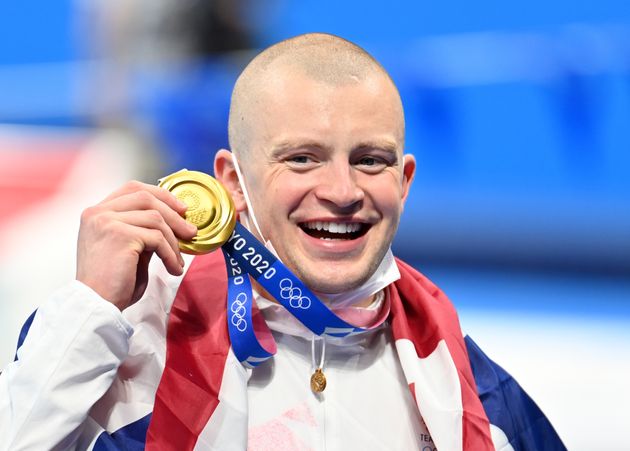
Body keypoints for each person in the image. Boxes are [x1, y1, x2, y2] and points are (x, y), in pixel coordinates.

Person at [0, 33, 565, 450]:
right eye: (302, 159)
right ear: (232, 182)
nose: (342, 191)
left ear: (404, 180)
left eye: (370, 161)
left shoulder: (466, 383)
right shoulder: (129, 343)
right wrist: (90, 307)